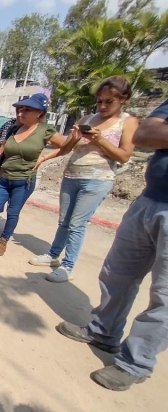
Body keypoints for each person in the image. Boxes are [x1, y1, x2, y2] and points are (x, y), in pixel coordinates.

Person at [55, 98, 168, 391]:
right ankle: (103, 331)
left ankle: (136, 362)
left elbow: (129, 148)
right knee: (117, 273)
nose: (102, 104)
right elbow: (145, 135)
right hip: (151, 198)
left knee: (164, 295)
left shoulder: (123, 120)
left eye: (109, 100)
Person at [30, 76, 138, 282]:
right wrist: (75, 137)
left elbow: (124, 156)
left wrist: (101, 140)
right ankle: (53, 255)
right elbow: (66, 149)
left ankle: (68, 266)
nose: (103, 106)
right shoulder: (86, 119)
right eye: (99, 101)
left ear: (124, 99)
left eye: (109, 101)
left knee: (77, 224)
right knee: (64, 220)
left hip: (98, 179)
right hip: (72, 174)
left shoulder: (128, 121)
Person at [0, 94, 67, 256]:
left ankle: (3, 241)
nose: (20, 113)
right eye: (20, 110)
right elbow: (0, 153)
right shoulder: (14, 128)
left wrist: (44, 158)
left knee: (12, 213)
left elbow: (66, 147)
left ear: (40, 112)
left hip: (23, 181)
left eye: (27, 110)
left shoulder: (45, 131)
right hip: (3, 179)